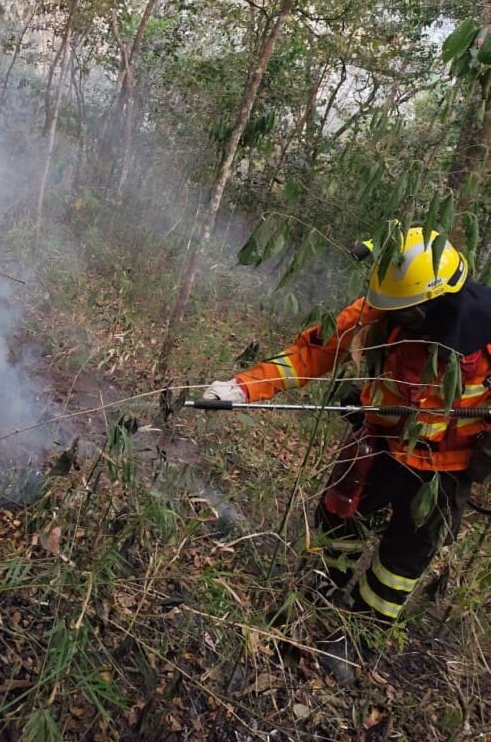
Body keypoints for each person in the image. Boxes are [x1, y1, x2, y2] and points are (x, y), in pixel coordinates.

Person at [203, 225, 491, 683]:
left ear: (431, 303)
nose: (388, 315)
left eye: (407, 313)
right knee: (337, 524)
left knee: (402, 563)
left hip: (445, 472)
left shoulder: (485, 336)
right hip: (377, 446)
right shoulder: (379, 314)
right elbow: (312, 353)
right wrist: (242, 389)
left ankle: (355, 640)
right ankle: (314, 598)